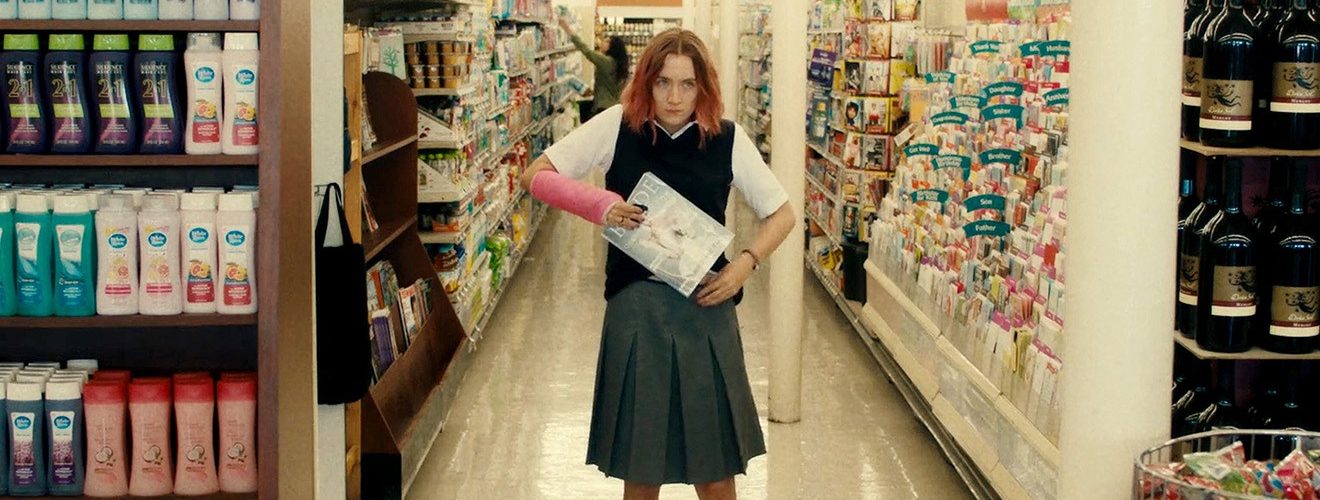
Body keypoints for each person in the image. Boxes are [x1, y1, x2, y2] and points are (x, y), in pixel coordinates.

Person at [519, 28, 795, 500]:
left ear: (703, 87)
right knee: (641, 466)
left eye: (687, 84)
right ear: (646, 81)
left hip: (706, 305)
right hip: (637, 308)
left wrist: (744, 265)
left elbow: (783, 214)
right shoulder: (617, 125)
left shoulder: (727, 138)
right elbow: (535, 175)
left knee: (715, 470)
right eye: (663, 82)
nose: (674, 97)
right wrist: (602, 205)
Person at [560, 17, 629, 116]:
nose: (603, 43)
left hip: (602, 108)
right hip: (614, 108)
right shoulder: (619, 63)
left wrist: (567, 29)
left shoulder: (606, 61)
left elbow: (587, 51)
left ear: (612, 46)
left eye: (607, 41)